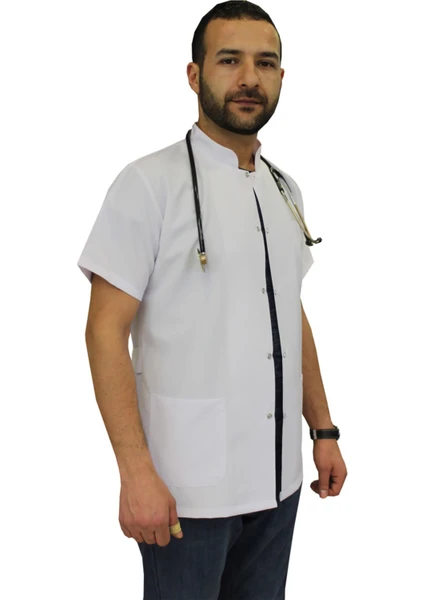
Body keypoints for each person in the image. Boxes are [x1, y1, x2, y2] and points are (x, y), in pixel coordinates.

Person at [78, 1, 348, 598]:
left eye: (265, 63)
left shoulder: (284, 188)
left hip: (278, 483)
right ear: (195, 74)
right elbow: (104, 331)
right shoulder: (148, 184)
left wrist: (323, 429)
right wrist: (135, 473)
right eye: (230, 60)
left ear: (281, 77)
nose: (250, 77)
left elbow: (290, 311)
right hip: (185, 493)